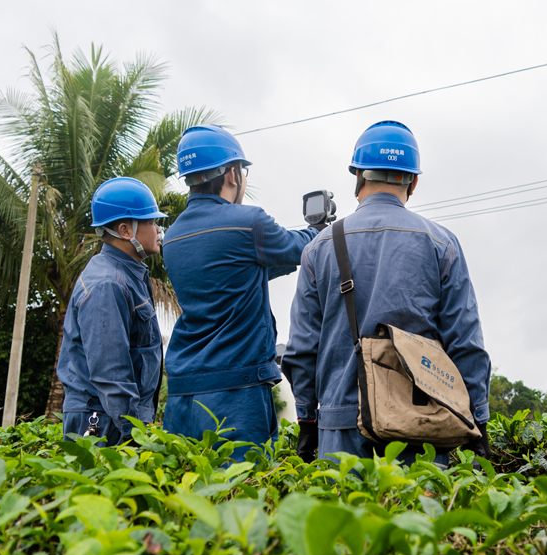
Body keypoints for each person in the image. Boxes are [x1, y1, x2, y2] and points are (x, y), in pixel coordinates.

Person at [282, 120, 492, 466]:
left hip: (340, 429)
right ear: (413, 181)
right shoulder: (442, 244)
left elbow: (303, 349)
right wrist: (477, 422)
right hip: (419, 429)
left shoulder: (318, 248)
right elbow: (466, 344)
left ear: (358, 177)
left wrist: (307, 420)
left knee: (343, 519)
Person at [161, 124, 322, 461]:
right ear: (233, 174)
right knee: (243, 496)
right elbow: (298, 248)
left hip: (183, 393)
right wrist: (320, 231)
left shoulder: (173, 237)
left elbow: (240, 271)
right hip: (237, 392)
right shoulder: (248, 222)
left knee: (187, 497)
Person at [57, 177, 166, 446]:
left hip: (111, 418)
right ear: (125, 230)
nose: (158, 230)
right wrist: (135, 434)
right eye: (151, 222)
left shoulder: (127, 275)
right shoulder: (109, 284)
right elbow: (112, 373)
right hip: (104, 422)